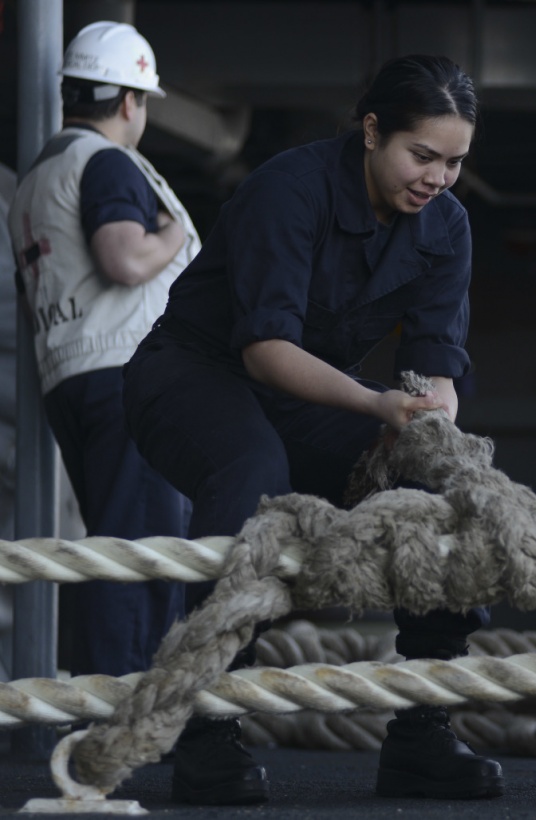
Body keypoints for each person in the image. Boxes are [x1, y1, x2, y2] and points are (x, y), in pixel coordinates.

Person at [121, 54, 502, 805]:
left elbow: (437, 370)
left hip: (314, 393)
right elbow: (265, 351)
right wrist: (377, 406)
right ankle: (207, 728)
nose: (438, 177)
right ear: (372, 131)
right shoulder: (289, 190)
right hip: (193, 374)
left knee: (440, 490)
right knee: (253, 475)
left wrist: (431, 433)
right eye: (422, 155)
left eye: (455, 162)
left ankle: (422, 728)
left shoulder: (447, 226)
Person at [7, 22, 196, 679]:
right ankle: (128, 711)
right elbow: (124, 258)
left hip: (72, 378)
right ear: (130, 102)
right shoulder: (106, 161)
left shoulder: (35, 180)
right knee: (143, 553)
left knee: (114, 546)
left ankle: (103, 701)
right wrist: (172, 235)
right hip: (126, 377)